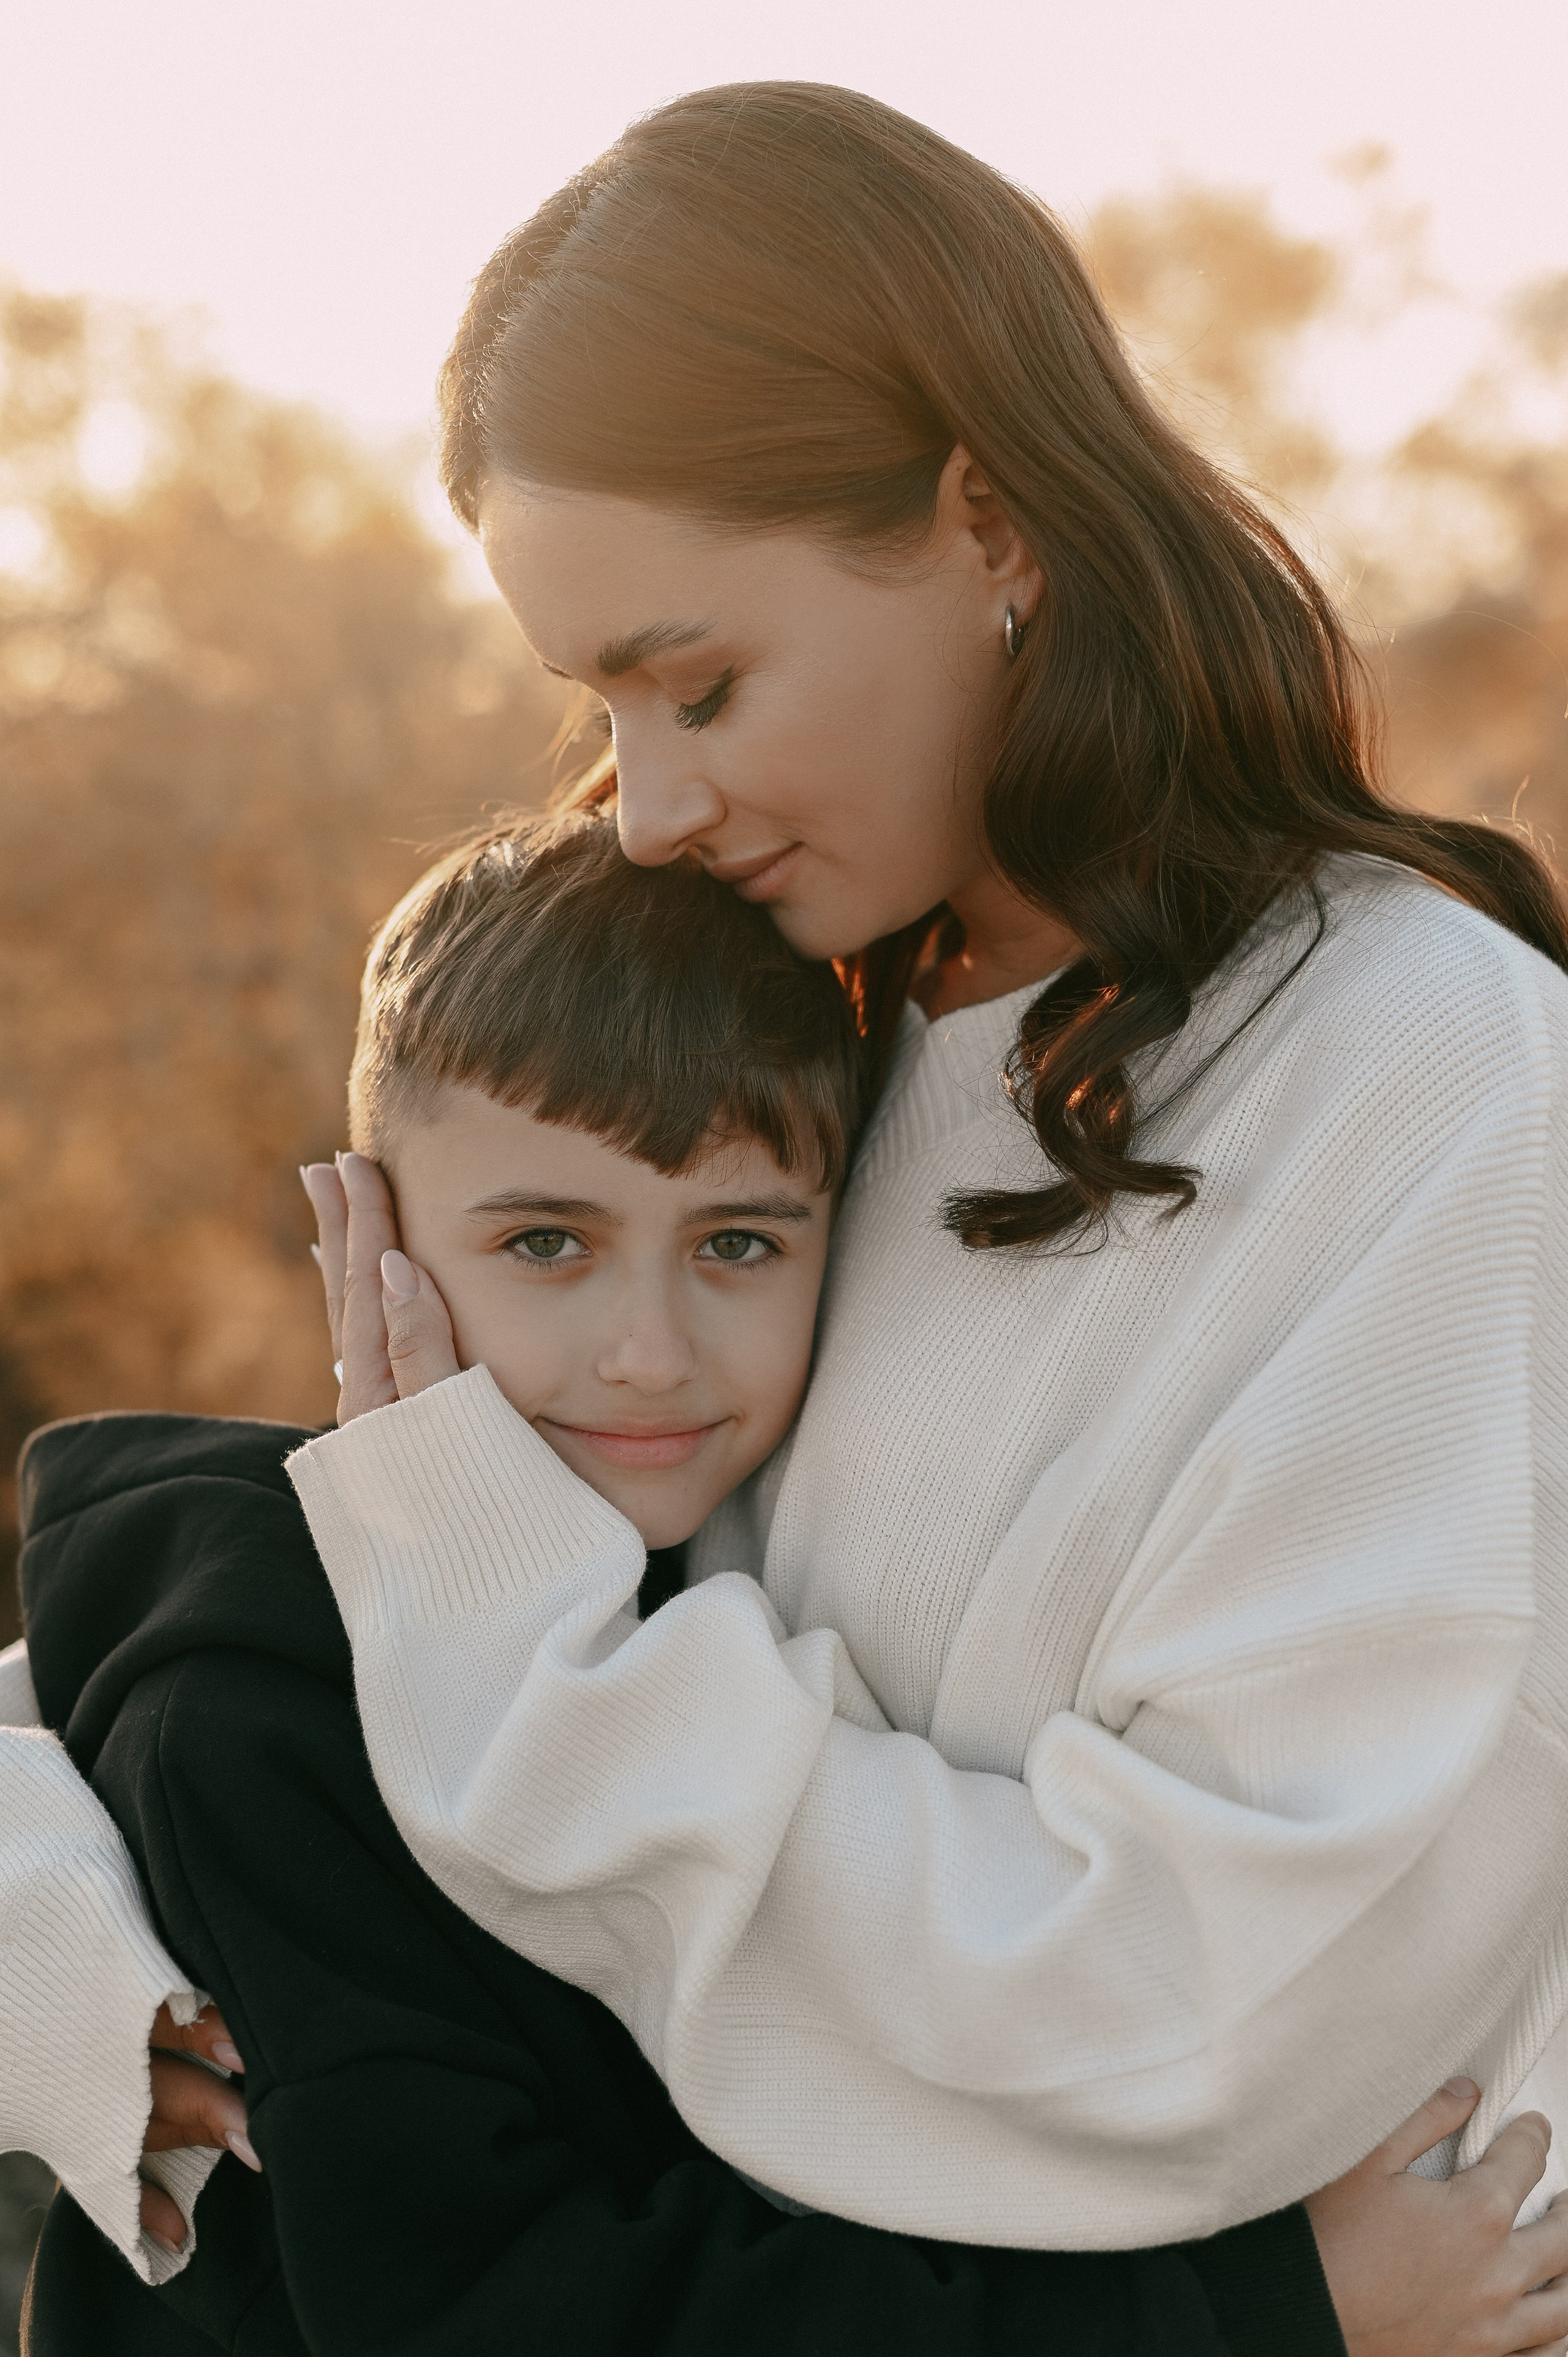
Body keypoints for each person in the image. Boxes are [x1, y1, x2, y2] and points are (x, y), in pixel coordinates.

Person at [3, 73, 1568, 2356]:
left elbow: (1228, 2027)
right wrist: (61, 1872)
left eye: (700, 682)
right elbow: (361, 1581)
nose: (638, 810)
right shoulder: (820, 1024)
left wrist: (524, 1687)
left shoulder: (1429, 1083)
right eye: (598, 707)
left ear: (995, 519)